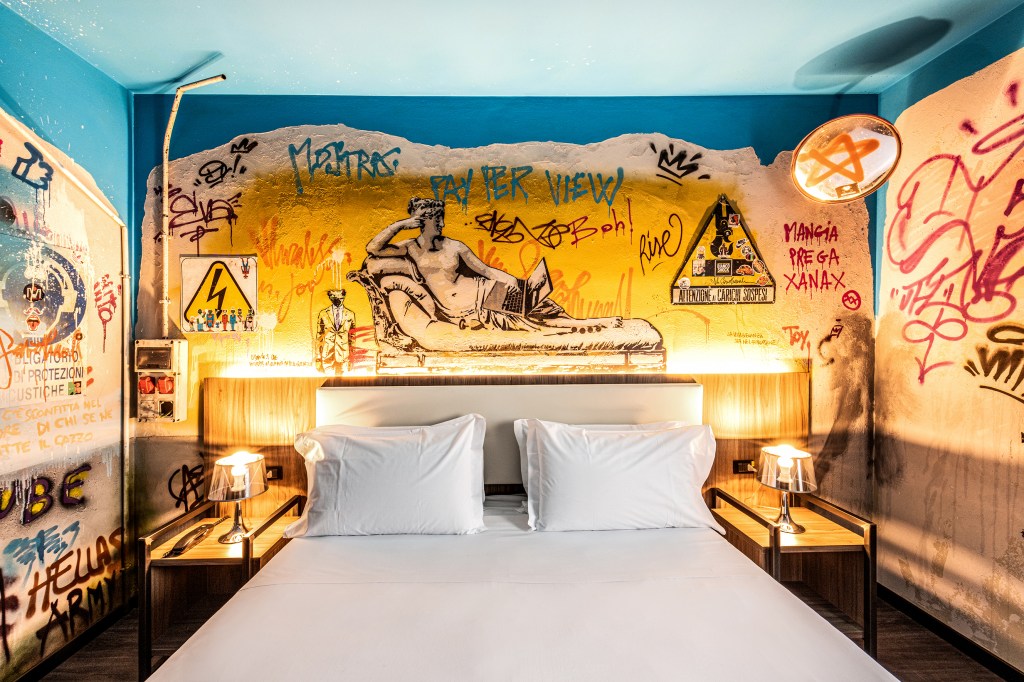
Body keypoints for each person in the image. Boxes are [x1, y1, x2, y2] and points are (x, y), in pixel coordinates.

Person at [366, 197, 620, 332]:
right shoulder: (409, 247)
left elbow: (485, 270)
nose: (442, 224)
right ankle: (584, 326)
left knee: (536, 301)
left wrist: (512, 281)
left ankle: (581, 322)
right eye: (437, 220)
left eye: (442, 219)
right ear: (422, 222)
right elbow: (373, 249)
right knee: (526, 319)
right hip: (466, 306)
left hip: (484, 290)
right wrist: (400, 225)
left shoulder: (455, 246)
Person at [315, 289, 355, 374]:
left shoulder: (350, 314)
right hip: (328, 354)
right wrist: (318, 357)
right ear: (330, 298)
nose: (338, 300)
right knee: (328, 378)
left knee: (343, 380)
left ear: (343, 297)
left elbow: (352, 337)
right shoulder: (323, 314)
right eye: (334, 298)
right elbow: (319, 336)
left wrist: (352, 357)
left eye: (340, 298)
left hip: (344, 354)